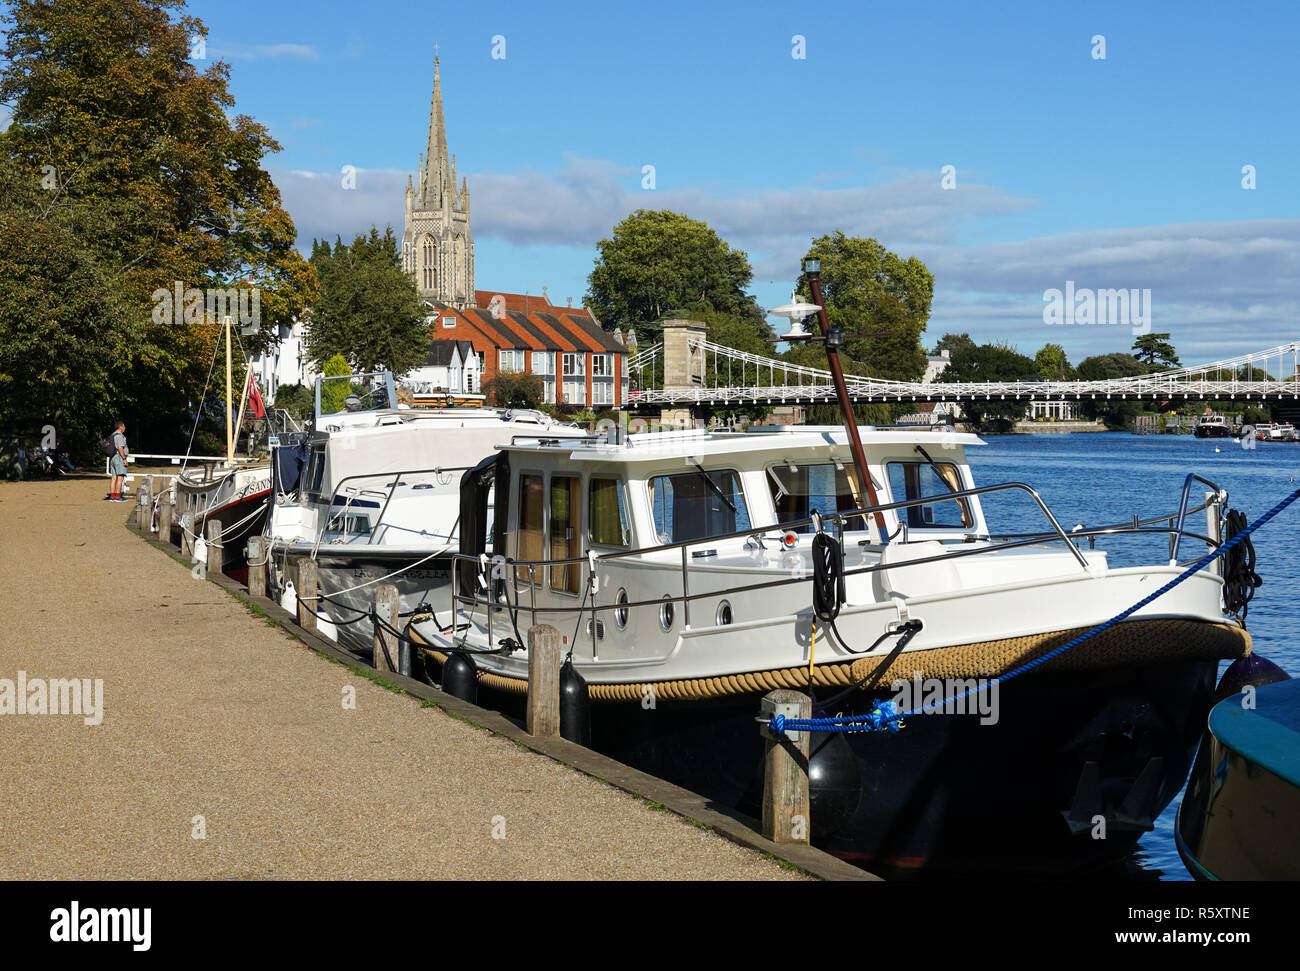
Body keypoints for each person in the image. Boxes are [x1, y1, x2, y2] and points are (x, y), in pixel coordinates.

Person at [107, 420, 129, 501]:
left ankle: (112, 496)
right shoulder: (119, 436)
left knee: (114, 478)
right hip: (119, 458)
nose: (125, 428)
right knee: (120, 478)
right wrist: (124, 459)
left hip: (113, 458)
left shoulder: (112, 435)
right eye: (124, 426)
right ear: (121, 427)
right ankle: (117, 496)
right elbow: (120, 448)